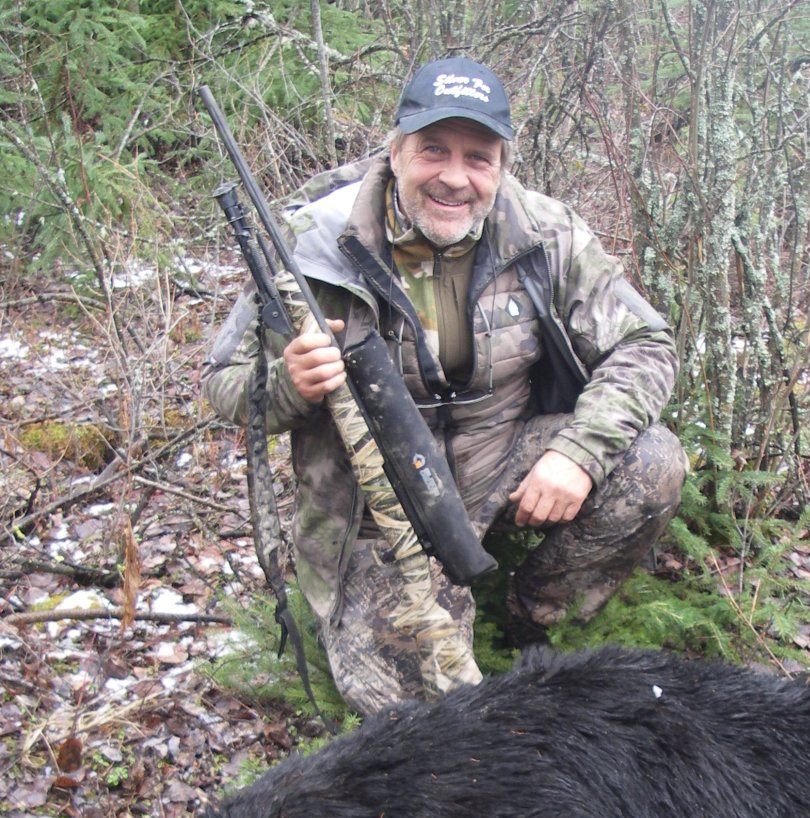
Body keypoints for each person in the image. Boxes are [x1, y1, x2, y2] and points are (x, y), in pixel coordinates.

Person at [204, 56, 687, 716]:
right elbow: (225, 385)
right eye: (434, 149)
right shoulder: (311, 243)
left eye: (478, 157)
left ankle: (531, 614)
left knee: (651, 462)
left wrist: (576, 454)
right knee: (421, 717)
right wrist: (288, 385)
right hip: (377, 511)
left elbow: (646, 344)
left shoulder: (546, 234)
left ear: (503, 165)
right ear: (397, 148)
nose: (455, 177)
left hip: (500, 461)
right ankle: (413, 608)